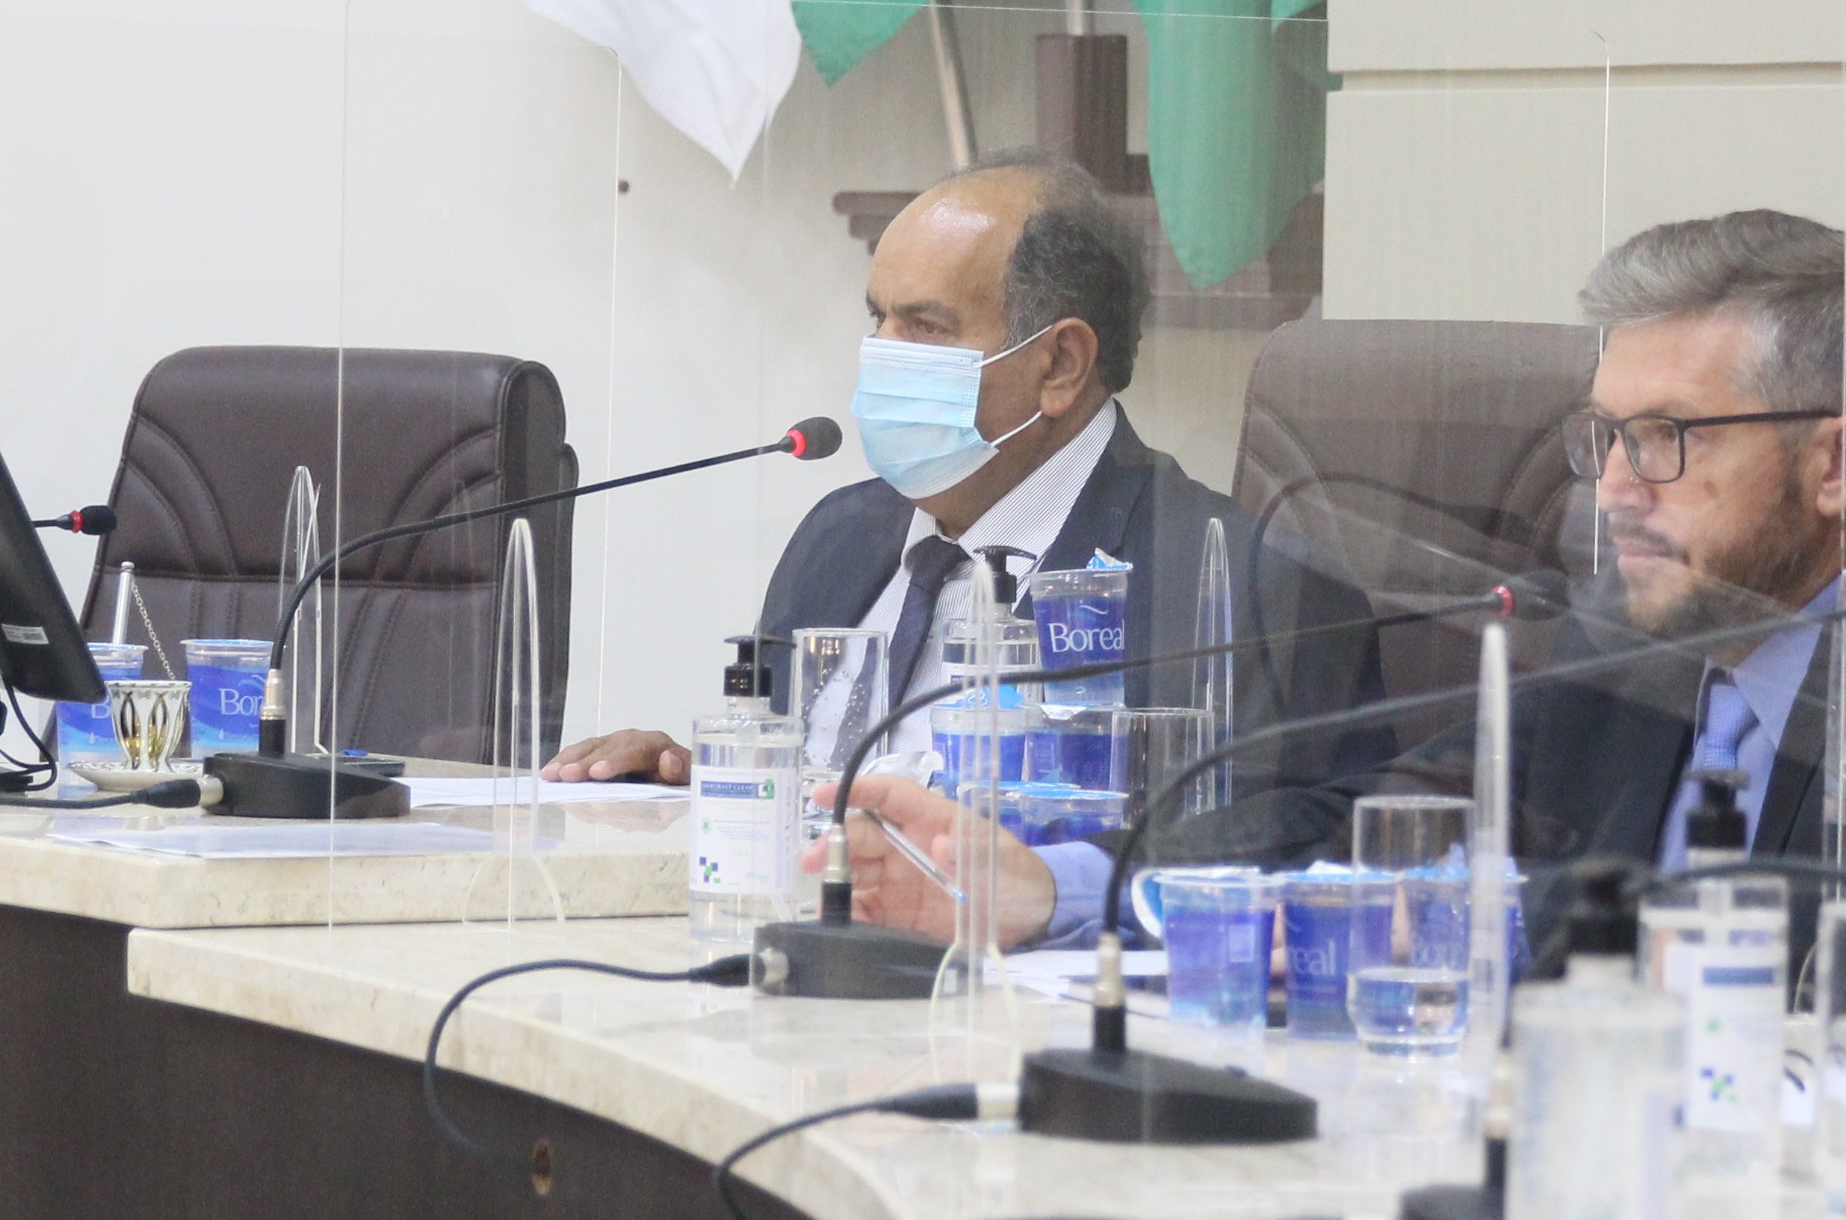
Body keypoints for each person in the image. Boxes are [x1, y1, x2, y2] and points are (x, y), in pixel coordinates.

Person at [842, 209, 1846, 948]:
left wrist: (1465, 922)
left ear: (1836, 463)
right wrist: (1056, 887)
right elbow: (1368, 831)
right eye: (1604, 436)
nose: (1615, 487)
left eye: (1667, 439)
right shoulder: (1623, 638)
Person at [548, 153, 1384, 930]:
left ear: (1059, 364)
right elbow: (800, 789)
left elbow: (1306, 845)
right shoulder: (839, 538)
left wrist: (1047, 887)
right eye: (877, 317)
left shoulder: (1245, 588)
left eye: (925, 327)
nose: (880, 355)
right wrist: (703, 785)